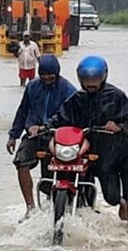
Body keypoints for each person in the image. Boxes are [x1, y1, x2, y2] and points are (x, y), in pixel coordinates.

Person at [42, 55, 128, 228]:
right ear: (80, 79)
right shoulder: (77, 99)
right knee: (109, 195)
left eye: (94, 79)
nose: (90, 83)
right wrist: (45, 127)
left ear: (103, 77)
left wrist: (118, 126)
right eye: (86, 79)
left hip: (122, 151)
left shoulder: (116, 96)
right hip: (96, 152)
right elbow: (60, 118)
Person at [6, 55, 78, 222]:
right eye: (43, 74)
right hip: (33, 134)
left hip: (57, 136)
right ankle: (30, 207)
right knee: (21, 163)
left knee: (51, 175)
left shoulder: (68, 90)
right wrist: (13, 135)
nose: (46, 78)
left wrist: (47, 126)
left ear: (57, 73)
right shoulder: (32, 87)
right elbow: (23, 111)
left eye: (50, 75)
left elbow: (70, 116)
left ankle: (59, 204)